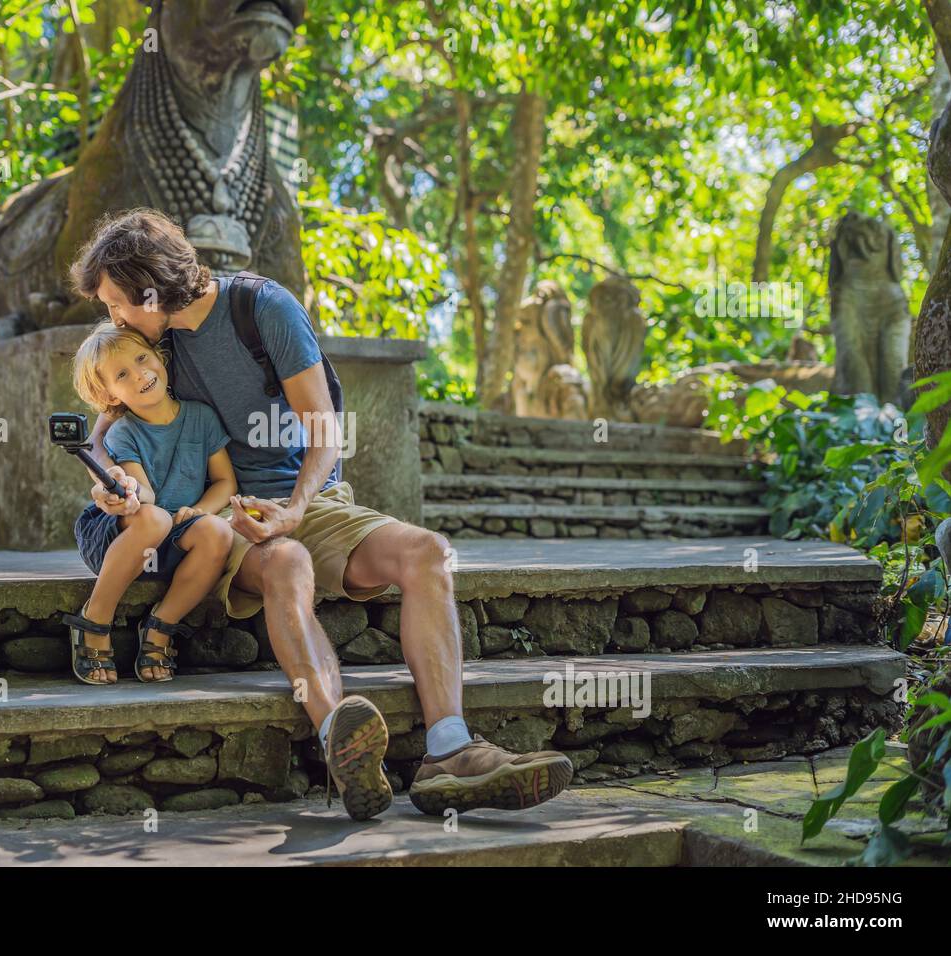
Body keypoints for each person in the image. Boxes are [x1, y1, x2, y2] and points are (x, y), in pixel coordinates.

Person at [69, 208, 574, 820]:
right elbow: (104, 428)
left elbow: (323, 432)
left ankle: (450, 750)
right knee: (288, 562)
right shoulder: (152, 342)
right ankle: (342, 739)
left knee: (428, 552)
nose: (115, 318)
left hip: (310, 497)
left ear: (151, 284)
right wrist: (110, 482)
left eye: (118, 302)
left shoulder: (263, 310)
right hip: (222, 515)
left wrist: (295, 507)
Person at [66, 323, 236, 685]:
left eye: (142, 358)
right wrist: (126, 491)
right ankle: (95, 618)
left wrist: (201, 510)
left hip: (174, 538)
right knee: (154, 517)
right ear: (109, 395)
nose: (141, 373)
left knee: (217, 532)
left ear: (160, 355)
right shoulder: (123, 431)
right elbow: (145, 495)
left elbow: (225, 482)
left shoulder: (202, 417)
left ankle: (160, 628)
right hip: (118, 535)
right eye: (123, 374)